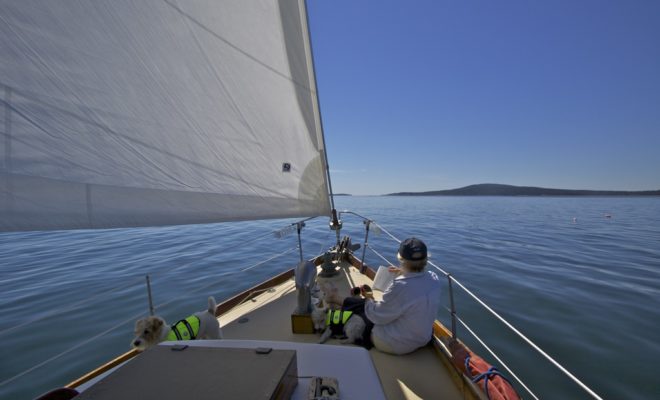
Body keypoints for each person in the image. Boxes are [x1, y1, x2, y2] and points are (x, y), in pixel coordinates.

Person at [344, 237, 442, 355]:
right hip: (424, 338)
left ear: (401, 259)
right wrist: (402, 272)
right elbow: (416, 283)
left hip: (395, 344)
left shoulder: (400, 286)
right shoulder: (434, 278)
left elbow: (376, 316)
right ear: (426, 259)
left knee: (361, 309)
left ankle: (338, 302)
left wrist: (369, 298)